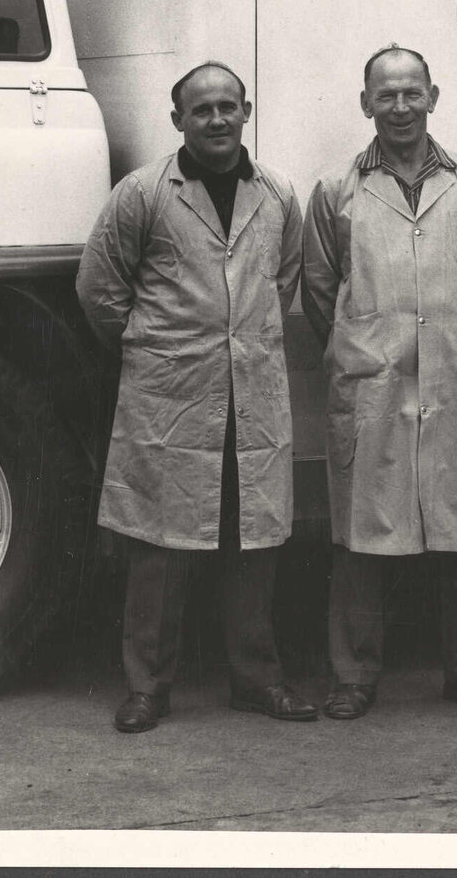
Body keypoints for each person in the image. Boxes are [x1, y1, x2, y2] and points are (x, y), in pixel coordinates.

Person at [76, 61, 318, 733]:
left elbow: (282, 280)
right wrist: (155, 345)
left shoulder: (277, 193)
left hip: (251, 395)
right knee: (160, 546)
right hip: (172, 396)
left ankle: (257, 679)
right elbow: (98, 287)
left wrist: (239, 341)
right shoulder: (143, 193)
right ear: (177, 118)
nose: (216, 119)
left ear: (246, 112)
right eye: (202, 109)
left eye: (227, 107)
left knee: (253, 541)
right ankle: (147, 687)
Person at [301, 45, 457, 719]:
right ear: (366, 102)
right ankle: (354, 675)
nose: (400, 107)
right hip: (374, 384)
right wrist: (362, 345)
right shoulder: (336, 190)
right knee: (362, 534)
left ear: (433, 97)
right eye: (386, 94)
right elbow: (319, 288)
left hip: (453, 381)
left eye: (412, 93)